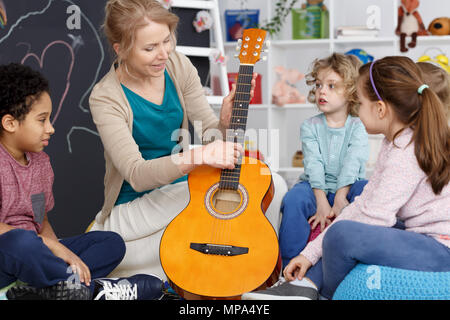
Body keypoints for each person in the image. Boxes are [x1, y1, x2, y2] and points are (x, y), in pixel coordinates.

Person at [88, 0, 287, 280]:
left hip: (182, 191)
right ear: (120, 49)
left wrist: (225, 121)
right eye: (149, 48)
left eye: (166, 41)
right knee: (214, 206)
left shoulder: (177, 65)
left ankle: (257, 271)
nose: (162, 54)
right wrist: (199, 157)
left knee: (274, 184)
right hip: (135, 206)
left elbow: (209, 133)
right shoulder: (106, 96)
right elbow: (136, 174)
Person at [242, 56, 450, 300]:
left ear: (380, 109)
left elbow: (374, 217)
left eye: (359, 103)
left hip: (439, 249)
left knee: (342, 235)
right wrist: (309, 254)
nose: (356, 110)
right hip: (421, 238)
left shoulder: (405, 152)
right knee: (349, 217)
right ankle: (305, 284)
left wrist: (324, 243)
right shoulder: (394, 143)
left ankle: (324, 293)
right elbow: (364, 204)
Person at [0, 63, 164, 300]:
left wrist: (63, 252)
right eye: (42, 120)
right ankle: (93, 290)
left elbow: (40, 220)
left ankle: (50, 290)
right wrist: (54, 249)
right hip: (9, 257)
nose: (51, 128)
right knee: (21, 242)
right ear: (10, 123)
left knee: (111, 243)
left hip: (39, 253)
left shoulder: (41, 163)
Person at [278, 53, 369, 267]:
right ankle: (288, 263)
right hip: (314, 186)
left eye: (331, 86)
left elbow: (352, 163)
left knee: (367, 191)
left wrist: (340, 198)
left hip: (348, 186)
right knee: (293, 200)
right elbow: (313, 164)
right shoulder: (310, 126)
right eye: (319, 85)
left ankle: (358, 259)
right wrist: (320, 201)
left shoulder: (358, 126)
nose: (322, 91)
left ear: (351, 91)